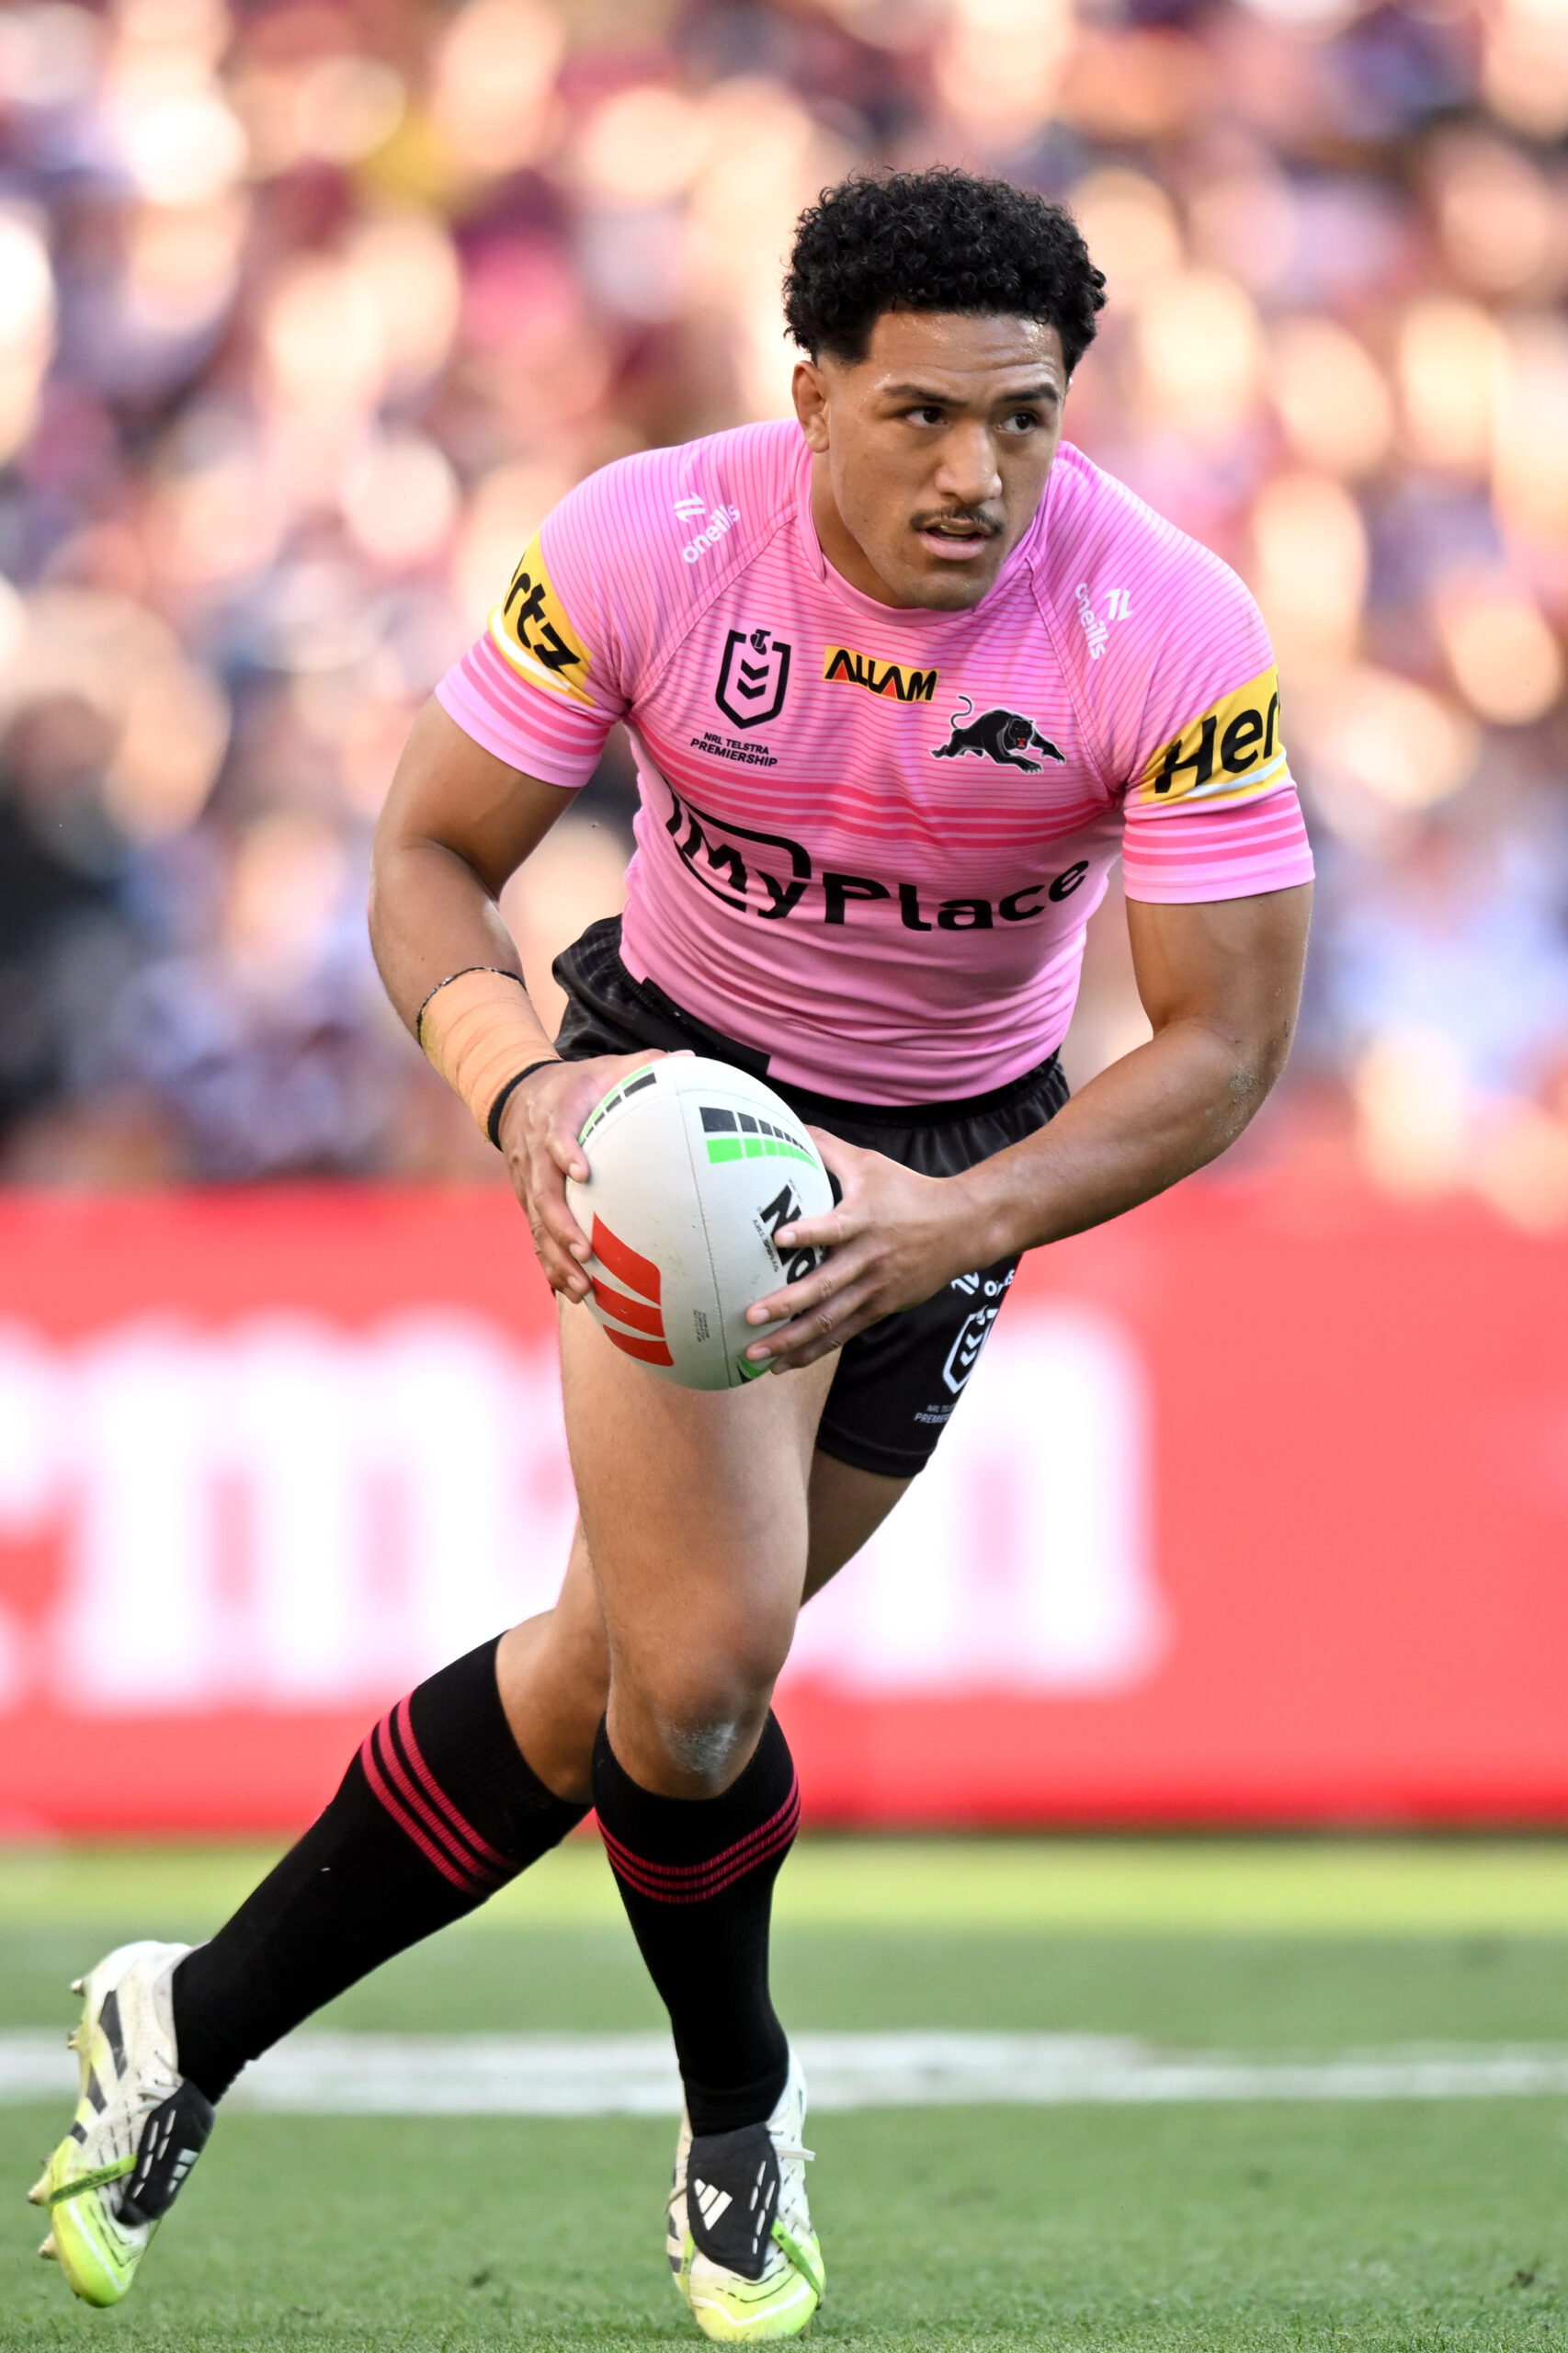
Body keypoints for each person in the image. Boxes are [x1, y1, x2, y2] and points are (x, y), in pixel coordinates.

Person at [31, 168, 1312, 2339]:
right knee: (702, 1680)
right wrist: (519, 1085)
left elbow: (1225, 1043)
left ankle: (186, 2021)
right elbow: (428, 853)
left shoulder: (1170, 630)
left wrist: (963, 1214)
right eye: (918, 414)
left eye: (1021, 417)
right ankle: (741, 2117)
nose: (975, 471)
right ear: (809, 394)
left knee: (604, 1680)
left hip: (950, 1163)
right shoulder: (648, 538)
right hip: (670, 1110)